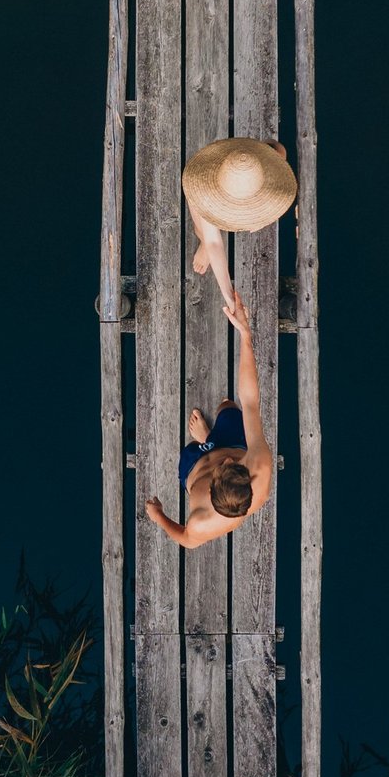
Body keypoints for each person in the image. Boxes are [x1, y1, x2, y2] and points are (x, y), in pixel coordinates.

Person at [144, 288, 274, 548]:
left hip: (194, 465)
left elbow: (186, 541)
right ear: (248, 479)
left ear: (212, 490)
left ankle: (204, 441)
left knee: (191, 448)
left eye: (223, 466)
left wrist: (159, 517)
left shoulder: (204, 522)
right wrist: (246, 336)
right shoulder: (259, 464)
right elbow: (249, 401)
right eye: (235, 464)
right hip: (233, 442)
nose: (226, 460)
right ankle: (211, 438)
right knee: (228, 405)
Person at [183, 136, 296, 309]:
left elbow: (277, 148)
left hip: (244, 174)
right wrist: (229, 295)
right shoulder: (206, 194)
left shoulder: (251, 163)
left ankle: (212, 233)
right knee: (204, 230)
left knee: (279, 151)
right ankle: (202, 240)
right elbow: (214, 243)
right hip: (210, 190)